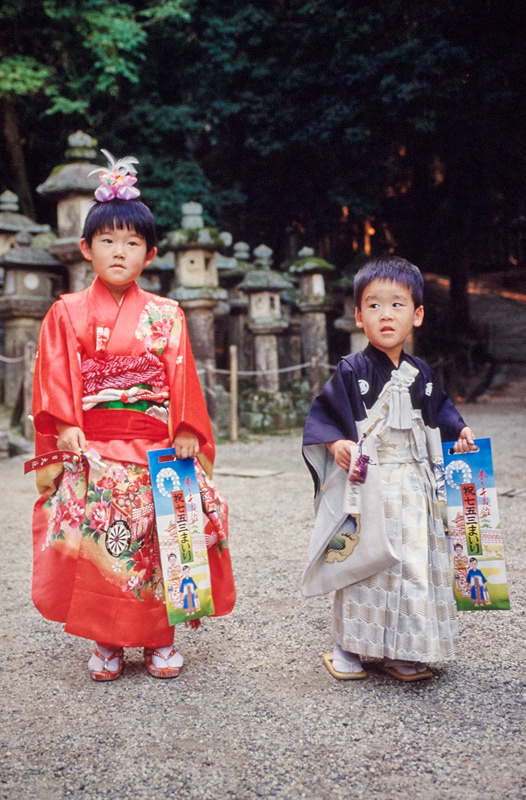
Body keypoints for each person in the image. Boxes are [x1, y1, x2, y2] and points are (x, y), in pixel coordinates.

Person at [30, 151, 235, 681]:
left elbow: (181, 378)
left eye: (132, 243)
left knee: (159, 539)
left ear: (151, 254)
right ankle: (108, 642)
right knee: (104, 545)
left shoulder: (167, 314)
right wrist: (67, 423)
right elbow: (54, 373)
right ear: (85, 248)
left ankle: (158, 639)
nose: (119, 252)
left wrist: (188, 428)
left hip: (154, 445)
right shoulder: (66, 312)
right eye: (107, 241)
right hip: (94, 446)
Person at [302, 255, 475, 682]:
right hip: (370, 481)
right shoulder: (351, 370)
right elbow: (324, 416)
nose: (385, 314)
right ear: (359, 316)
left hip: (414, 484)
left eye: (397, 304)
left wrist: (462, 432)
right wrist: (338, 442)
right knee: (363, 562)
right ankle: (349, 646)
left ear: (416, 315)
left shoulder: (423, 373)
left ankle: (404, 648)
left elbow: (442, 413)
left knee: (413, 564)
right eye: (374, 305)